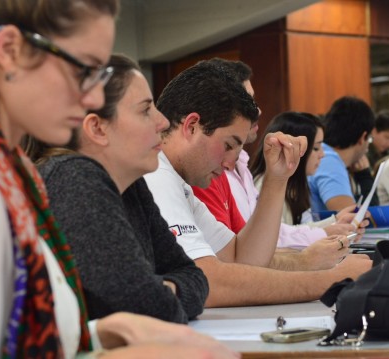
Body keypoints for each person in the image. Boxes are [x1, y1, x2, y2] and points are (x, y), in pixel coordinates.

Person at [0, 1, 236, 358]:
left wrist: (96, 335)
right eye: (84, 70)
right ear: (10, 52)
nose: (93, 97)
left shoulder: (7, 171)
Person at [144, 60, 371, 307]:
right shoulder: (155, 175)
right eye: (228, 145)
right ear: (191, 126)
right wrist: (332, 280)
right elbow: (208, 281)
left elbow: (241, 259)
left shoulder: (179, 183)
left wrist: (277, 178)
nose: (226, 163)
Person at [28, 55, 209, 324]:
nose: (161, 122)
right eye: (145, 110)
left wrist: (163, 290)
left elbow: (194, 278)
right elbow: (145, 306)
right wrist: (165, 292)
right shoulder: (73, 179)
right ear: (97, 128)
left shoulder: (131, 185)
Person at [191, 58, 360, 251]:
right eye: (246, 102)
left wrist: (329, 229)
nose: (257, 110)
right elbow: (241, 253)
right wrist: (310, 261)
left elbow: (264, 237)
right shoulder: (207, 172)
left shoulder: (240, 164)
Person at [250, 111, 325, 225]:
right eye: (316, 148)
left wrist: (336, 222)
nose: (322, 154)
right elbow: (282, 237)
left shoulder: (294, 185)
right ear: (290, 148)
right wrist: (330, 228)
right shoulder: (265, 185)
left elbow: (302, 230)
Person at [309, 96, 376, 212]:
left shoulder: (326, 154)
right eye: (369, 139)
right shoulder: (329, 162)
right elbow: (353, 219)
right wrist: (365, 178)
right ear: (363, 137)